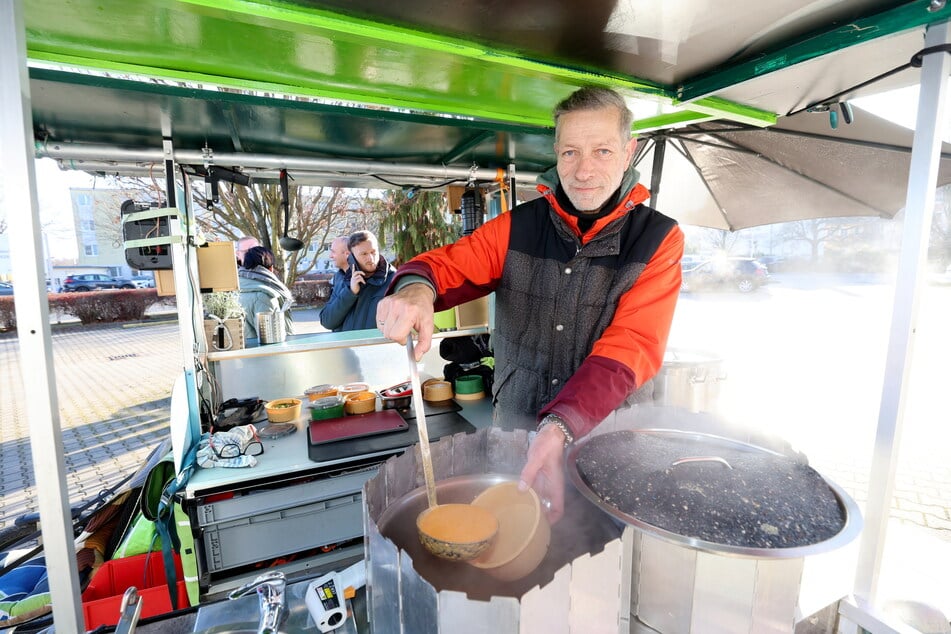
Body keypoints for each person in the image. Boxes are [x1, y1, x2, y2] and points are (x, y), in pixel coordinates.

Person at [376, 86, 684, 523]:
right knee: (511, 543)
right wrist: (415, 287)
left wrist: (561, 424)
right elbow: (449, 265)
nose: (584, 170)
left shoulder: (658, 239)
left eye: (602, 151)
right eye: (571, 152)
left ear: (629, 151)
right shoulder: (518, 226)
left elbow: (631, 346)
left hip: (609, 440)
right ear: (556, 151)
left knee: (600, 555)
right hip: (517, 433)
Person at [319, 230, 396, 332]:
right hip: (346, 347)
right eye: (364, 254)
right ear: (351, 257)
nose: (371, 258)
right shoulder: (344, 280)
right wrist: (350, 292)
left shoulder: (394, 280)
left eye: (373, 252)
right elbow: (327, 321)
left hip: (378, 347)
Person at [238, 246, 295, 340]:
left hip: (246, 351)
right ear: (271, 269)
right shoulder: (266, 296)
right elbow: (271, 341)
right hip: (265, 353)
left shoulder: (237, 288)